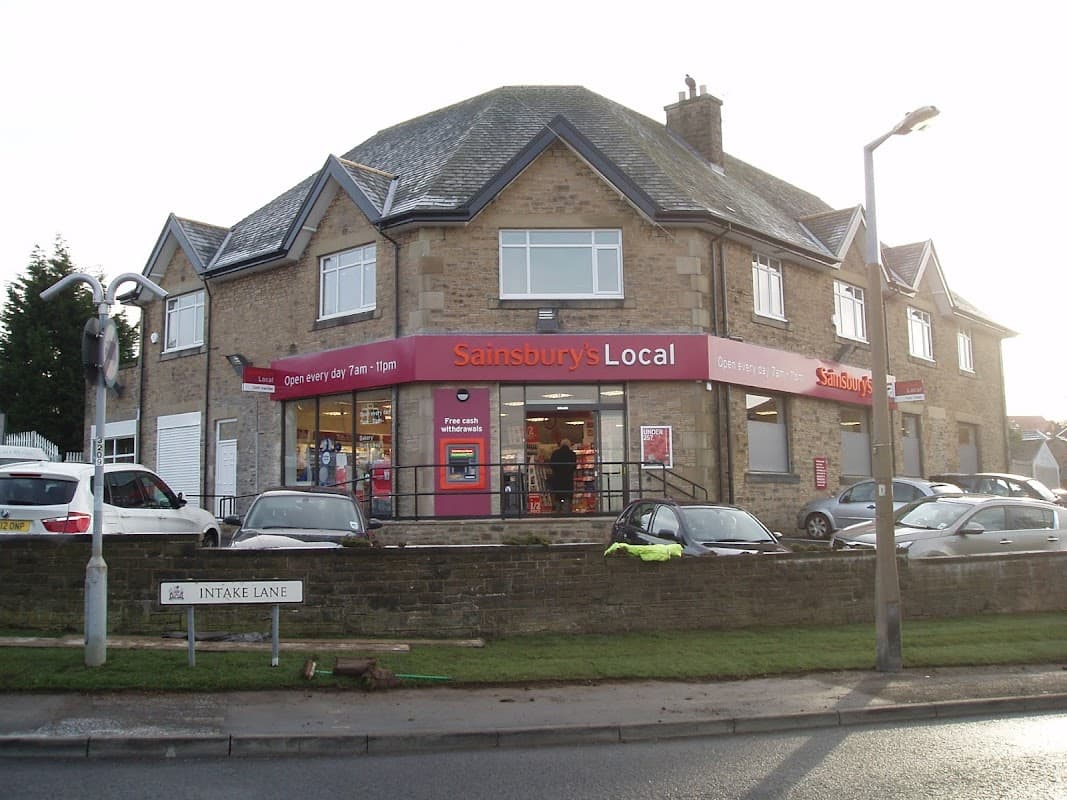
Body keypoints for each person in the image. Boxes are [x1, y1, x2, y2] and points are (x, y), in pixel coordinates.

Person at [548, 438, 578, 513]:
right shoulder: (572, 454)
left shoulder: (555, 453)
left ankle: (558, 512)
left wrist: (557, 471)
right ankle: (566, 512)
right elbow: (574, 466)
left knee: (558, 496)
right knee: (567, 497)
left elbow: (551, 465)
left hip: (557, 478)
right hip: (568, 479)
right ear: (569, 445)